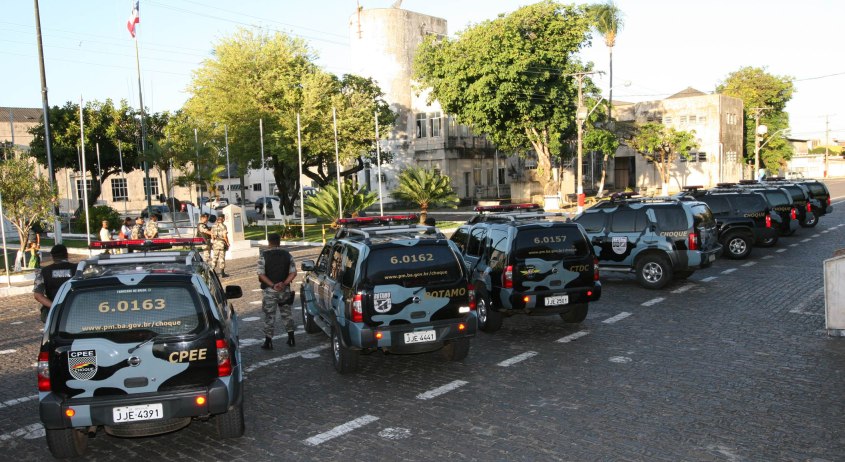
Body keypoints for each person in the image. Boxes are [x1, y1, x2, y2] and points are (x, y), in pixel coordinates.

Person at [257, 233, 297, 349]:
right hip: (284, 290)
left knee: (270, 316)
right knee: (287, 314)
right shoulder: (287, 255)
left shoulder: (263, 256)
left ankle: (268, 341)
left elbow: (261, 274)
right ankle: (291, 338)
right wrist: (283, 284)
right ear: (279, 242)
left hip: (270, 291)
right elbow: (293, 273)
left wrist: (273, 285)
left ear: (269, 242)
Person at [33, 244, 76, 323]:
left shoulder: (44, 272)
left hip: (55, 314)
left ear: (52, 256)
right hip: (76, 309)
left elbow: (38, 295)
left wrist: (56, 307)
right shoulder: (78, 269)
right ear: (66, 255)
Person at [211, 213, 230, 277]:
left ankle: (211, 271)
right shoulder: (223, 226)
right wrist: (227, 243)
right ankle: (222, 273)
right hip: (221, 243)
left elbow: (212, 234)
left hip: (215, 243)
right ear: (223, 219)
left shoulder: (214, 226)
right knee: (221, 258)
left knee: (214, 257)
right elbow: (225, 236)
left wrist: (213, 240)